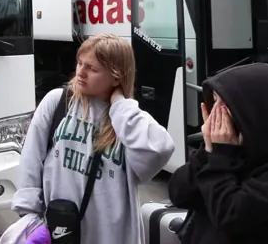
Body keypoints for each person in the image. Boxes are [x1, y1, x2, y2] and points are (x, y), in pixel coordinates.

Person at [10, 33, 175, 244]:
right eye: (80, 63)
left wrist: (120, 104)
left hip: (109, 236)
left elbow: (160, 149)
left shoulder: (126, 120)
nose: (81, 72)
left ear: (116, 77)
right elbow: (31, 160)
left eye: (92, 69)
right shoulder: (59, 101)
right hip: (58, 230)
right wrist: (29, 215)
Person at [167, 62, 268, 243]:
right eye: (214, 101)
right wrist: (206, 151)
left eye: (224, 105)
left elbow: (229, 216)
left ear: (253, 112)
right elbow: (179, 194)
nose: (216, 113)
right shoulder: (229, 155)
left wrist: (220, 156)